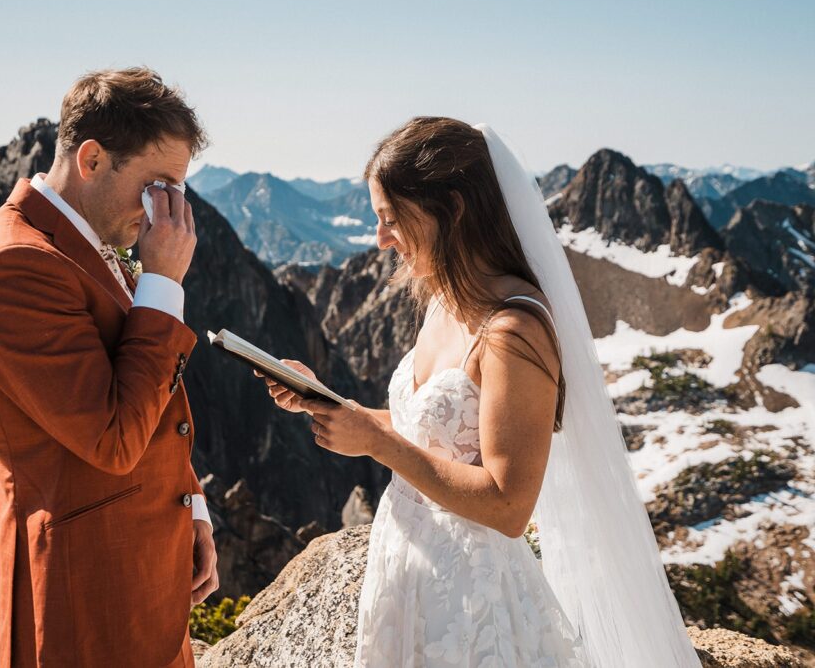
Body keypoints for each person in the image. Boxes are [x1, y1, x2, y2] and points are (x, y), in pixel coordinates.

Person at [258, 118, 700, 666]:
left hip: (470, 605)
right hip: (405, 574)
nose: (380, 238)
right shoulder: (447, 301)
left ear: (454, 208)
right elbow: (431, 432)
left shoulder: (515, 329)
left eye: (392, 218)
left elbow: (509, 504)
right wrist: (328, 401)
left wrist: (375, 443)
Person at [0, 68, 218, 668]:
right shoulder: (13, 268)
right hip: (80, 604)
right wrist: (163, 283)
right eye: (157, 186)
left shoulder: (84, 239)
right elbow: (113, 437)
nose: (166, 213)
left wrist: (189, 506)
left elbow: (139, 389)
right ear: (93, 159)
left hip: (142, 580)